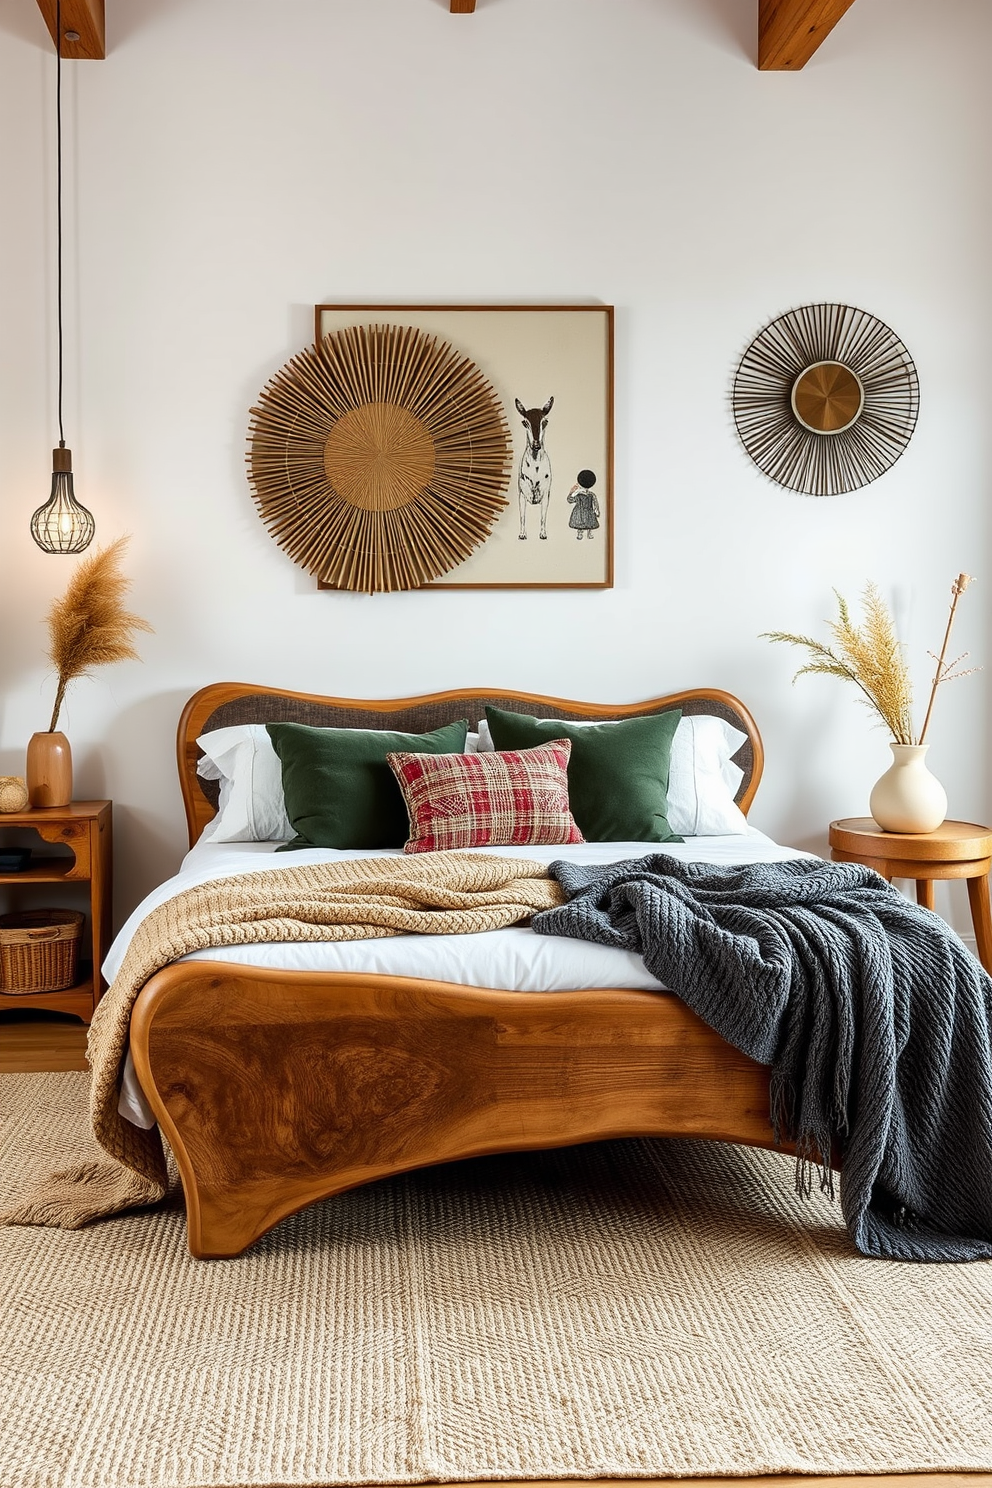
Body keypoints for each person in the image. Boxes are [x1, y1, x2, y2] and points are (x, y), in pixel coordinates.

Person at [566, 469, 600, 540]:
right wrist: (572, 492)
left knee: (589, 523)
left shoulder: (591, 495)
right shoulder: (579, 494)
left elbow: (595, 503)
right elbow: (570, 500)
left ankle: (589, 533)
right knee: (580, 523)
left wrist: (596, 510)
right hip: (581, 511)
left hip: (587, 511)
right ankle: (580, 533)